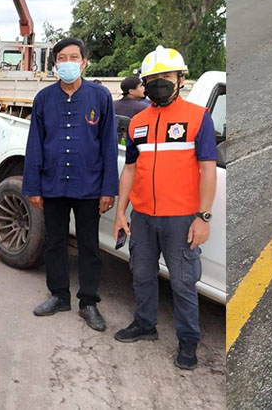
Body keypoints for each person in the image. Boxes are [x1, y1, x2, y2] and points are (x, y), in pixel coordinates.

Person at [113, 46, 217, 371]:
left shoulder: (198, 118)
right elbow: (130, 168)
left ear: (180, 79)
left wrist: (203, 217)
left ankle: (188, 341)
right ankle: (145, 325)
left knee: (183, 283)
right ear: (144, 83)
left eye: (167, 76)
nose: (160, 83)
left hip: (182, 219)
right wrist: (121, 211)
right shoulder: (137, 123)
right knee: (142, 275)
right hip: (143, 218)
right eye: (153, 78)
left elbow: (208, 168)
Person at [23, 37, 117, 331]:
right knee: (55, 242)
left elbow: (109, 145)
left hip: (89, 184)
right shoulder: (44, 99)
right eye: (61, 58)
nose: (67, 63)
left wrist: (109, 189)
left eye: (73, 57)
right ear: (54, 64)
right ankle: (59, 296)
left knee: (89, 245)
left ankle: (88, 302)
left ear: (84, 62)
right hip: (53, 184)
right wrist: (33, 187)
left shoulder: (100, 96)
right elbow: (35, 144)